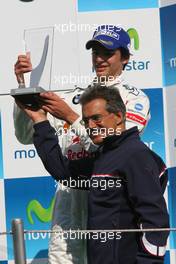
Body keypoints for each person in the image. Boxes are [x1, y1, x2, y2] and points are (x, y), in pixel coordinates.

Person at [13, 25, 150, 264]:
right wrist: (24, 88)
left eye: (107, 53)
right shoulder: (71, 96)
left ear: (125, 58)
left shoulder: (135, 98)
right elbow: (25, 136)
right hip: (69, 200)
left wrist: (72, 118)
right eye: (95, 52)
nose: (99, 58)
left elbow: (117, 149)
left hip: (108, 198)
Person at [17, 85, 169, 264]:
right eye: (86, 120)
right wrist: (40, 120)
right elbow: (63, 173)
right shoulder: (105, 156)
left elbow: (155, 222)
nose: (90, 126)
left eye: (96, 118)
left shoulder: (136, 156)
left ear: (119, 117)